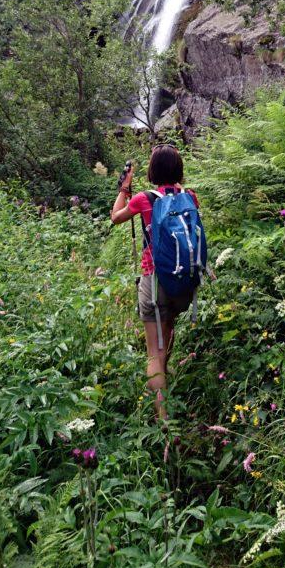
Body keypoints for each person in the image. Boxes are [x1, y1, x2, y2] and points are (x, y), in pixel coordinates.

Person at [110, 144, 199, 419]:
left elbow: (116, 218)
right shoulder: (190, 196)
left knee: (153, 354)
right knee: (168, 329)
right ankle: (165, 378)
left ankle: (164, 423)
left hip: (155, 280)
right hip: (183, 279)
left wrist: (125, 188)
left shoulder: (143, 198)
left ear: (153, 170)